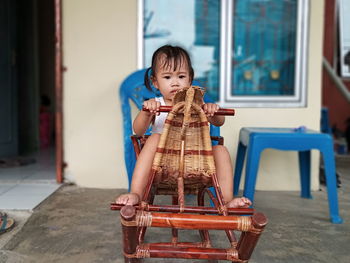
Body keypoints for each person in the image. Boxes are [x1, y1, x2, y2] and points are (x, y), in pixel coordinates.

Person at [116, 45, 251, 208]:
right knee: (154, 138)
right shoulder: (157, 104)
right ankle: (136, 192)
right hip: (163, 164)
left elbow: (219, 122)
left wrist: (213, 111)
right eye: (167, 77)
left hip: (198, 162)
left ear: (190, 79)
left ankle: (227, 201)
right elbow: (138, 131)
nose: (175, 83)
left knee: (221, 151)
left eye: (181, 76)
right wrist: (146, 112)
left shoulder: (198, 103)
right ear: (155, 82)